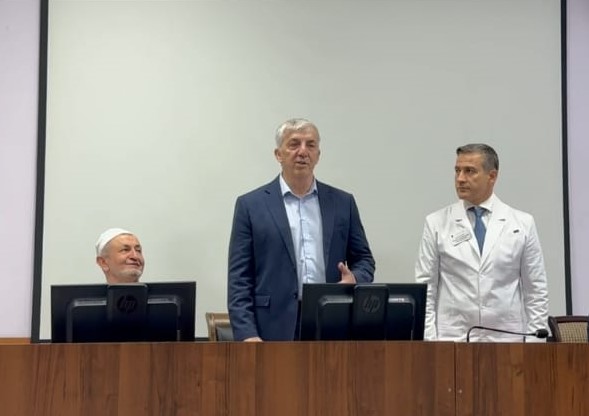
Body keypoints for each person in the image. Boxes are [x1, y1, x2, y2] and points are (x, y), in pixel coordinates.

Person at [228, 118, 375, 342]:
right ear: (278, 154)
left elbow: (364, 259)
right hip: (271, 327)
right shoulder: (251, 206)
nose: (303, 152)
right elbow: (239, 279)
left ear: (318, 155)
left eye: (311, 145)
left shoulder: (342, 203)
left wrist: (355, 278)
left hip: (331, 321)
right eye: (294, 144)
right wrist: (247, 334)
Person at [415, 143, 549, 342]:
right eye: (457, 171)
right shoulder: (436, 223)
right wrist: (430, 343)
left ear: (492, 176)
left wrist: (534, 345)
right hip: (453, 339)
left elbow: (536, 290)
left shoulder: (522, 223)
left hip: (507, 339)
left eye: (469, 171)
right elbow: (426, 288)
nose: (460, 179)